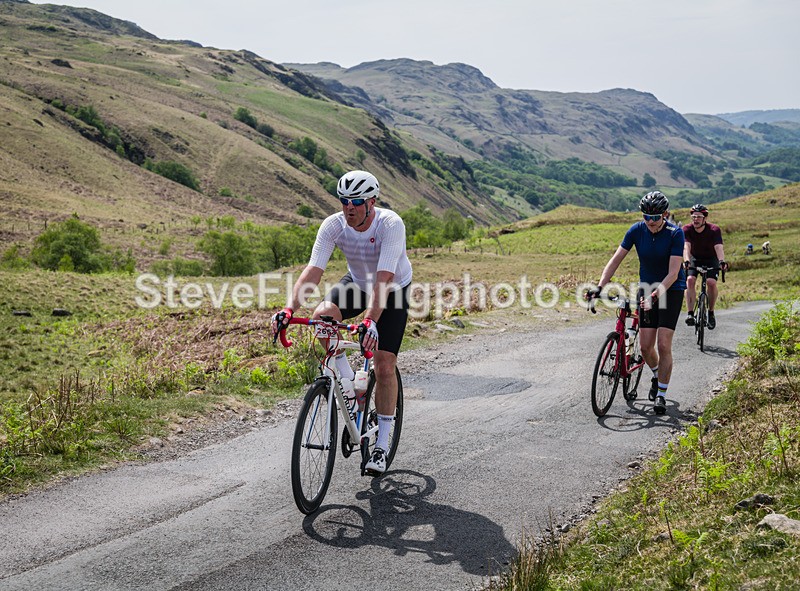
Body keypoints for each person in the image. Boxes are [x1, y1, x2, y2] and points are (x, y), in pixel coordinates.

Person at [271, 170, 413, 475]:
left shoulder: (390, 224)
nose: (349, 207)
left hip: (392, 289)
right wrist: (288, 308)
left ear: (371, 201)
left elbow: (385, 278)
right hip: (358, 284)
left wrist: (371, 321)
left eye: (356, 202)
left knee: (384, 365)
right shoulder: (334, 225)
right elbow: (313, 272)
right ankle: (350, 387)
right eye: (344, 201)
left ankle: (381, 445)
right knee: (322, 318)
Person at [589, 191, 686, 415]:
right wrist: (600, 286)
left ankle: (661, 395)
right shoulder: (636, 230)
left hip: (671, 290)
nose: (651, 222)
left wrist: (655, 296)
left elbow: (673, 273)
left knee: (663, 345)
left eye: (655, 218)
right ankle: (656, 374)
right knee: (644, 347)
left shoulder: (675, 233)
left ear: (665, 214)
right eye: (646, 217)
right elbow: (615, 260)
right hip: (647, 287)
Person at [682, 204, 727, 330]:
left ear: (704, 219)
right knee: (690, 280)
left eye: (698, 217)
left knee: (711, 282)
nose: (695, 219)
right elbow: (686, 247)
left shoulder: (714, 230)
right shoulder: (686, 229)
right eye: (693, 216)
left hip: (711, 259)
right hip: (695, 258)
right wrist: (686, 260)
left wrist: (722, 261)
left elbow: (718, 247)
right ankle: (690, 313)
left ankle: (710, 312)